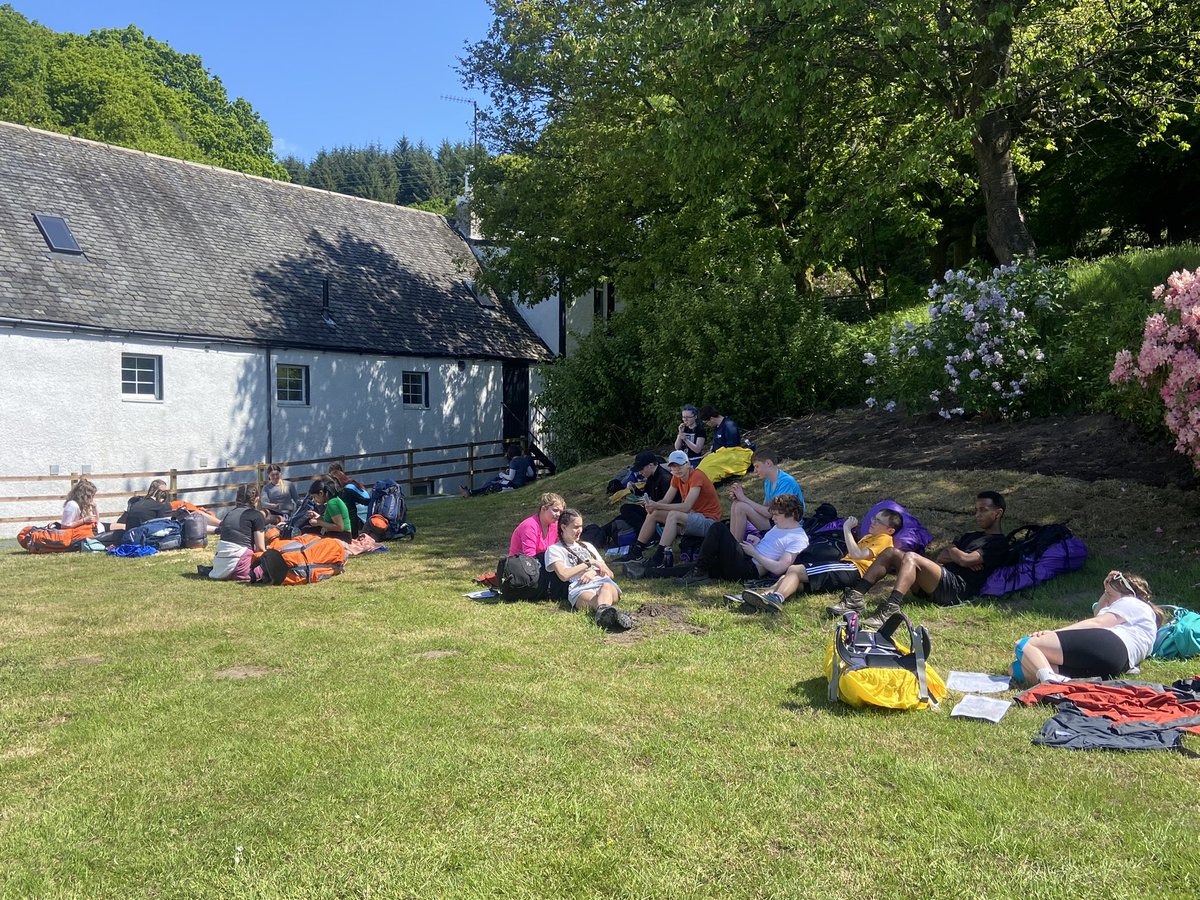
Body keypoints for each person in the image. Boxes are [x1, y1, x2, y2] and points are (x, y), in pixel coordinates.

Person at [840, 491, 1009, 629]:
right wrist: (956, 555)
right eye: (976, 510)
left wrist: (954, 552)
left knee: (911, 557)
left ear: (998, 513)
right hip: (938, 581)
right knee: (890, 552)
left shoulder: (999, 543)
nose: (978, 515)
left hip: (956, 590)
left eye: (983, 510)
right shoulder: (971, 536)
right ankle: (855, 597)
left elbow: (965, 560)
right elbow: (942, 557)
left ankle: (891, 608)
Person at [1014, 571, 1163, 684]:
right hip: (1114, 664)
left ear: (1128, 593)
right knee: (1017, 668)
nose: (1107, 597)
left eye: (1110, 594)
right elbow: (1099, 614)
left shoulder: (1132, 602)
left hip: (1111, 645)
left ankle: (1050, 684)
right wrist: (1106, 591)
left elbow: (1097, 623)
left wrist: (1052, 633)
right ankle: (1059, 680)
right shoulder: (1142, 618)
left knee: (1025, 644)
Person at [740, 510, 902, 613]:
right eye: (874, 518)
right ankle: (763, 596)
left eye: (878, 521)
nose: (873, 522)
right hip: (846, 568)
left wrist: (846, 529)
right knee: (793, 579)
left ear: (890, 530)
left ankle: (776, 598)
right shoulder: (869, 537)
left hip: (853, 569)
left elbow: (857, 554)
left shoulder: (885, 539)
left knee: (796, 570)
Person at [673, 493, 809, 587]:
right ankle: (656, 572)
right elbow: (772, 547)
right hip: (746, 558)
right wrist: (758, 542)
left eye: (777, 515)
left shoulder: (798, 538)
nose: (773, 519)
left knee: (718, 528)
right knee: (698, 565)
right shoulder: (780, 526)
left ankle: (699, 572)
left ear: (792, 515)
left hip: (750, 569)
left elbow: (779, 568)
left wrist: (754, 553)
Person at [628, 450, 721, 569]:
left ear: (688, 464)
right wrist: (652, 505)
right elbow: (666, 500)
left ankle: (660, 557)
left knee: (673, 515)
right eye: (674, 467)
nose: (677, 469)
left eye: (680, 465)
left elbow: (686, 506)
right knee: (654, 513)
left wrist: (657, 505)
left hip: (709, 521)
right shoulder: (676, 478)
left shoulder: (697, 476)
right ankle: (637, 551)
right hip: (692, 518)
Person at [544, 509, 633, 631]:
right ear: (563, 527)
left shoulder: (587, 546)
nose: (579, 530)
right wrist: (589, 563)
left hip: (603, 582)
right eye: (575, 527)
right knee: (595, 600)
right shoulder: (554, 549)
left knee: (606, 587)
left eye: (581, 526)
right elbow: (563, 575)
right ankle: (613, 614)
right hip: (579, 587)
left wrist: (593, 572)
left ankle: (608, 615)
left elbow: (610, 574)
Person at [727, 448, 804, 540]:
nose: (755, 471)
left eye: (757, 466)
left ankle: (735, 548)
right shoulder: (768, 482)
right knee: (736, 503)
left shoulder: (786, 482)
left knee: (741, 507)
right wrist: (739, 498)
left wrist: (744, 499)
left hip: (787, 526)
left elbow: (771, 513)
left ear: (768, 463)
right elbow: (764, 508)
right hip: (775, 521)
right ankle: (731, 543)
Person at [206, 483, 267, 581]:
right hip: (239, 567)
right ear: (256, 499)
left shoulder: (229, 514)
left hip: (219, 567)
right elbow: (260, 547)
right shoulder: (256, 515)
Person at [616, 450, 674, 534]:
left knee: (626, 509)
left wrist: (652, 504)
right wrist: (634, 489)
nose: (640, 472)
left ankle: (649, 534)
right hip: (652, 508)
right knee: (622, 516)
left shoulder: (665, 478)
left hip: (661, 513)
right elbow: (646, 493)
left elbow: (668, 502)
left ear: (650, 465)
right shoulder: (651, 477)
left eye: (641, 469)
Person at [460, 445, 536, 497]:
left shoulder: (514, 462)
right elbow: (531, 474)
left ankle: (471, 492)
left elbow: (511, 477)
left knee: (493, 483)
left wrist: (503, 475)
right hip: (520, 483)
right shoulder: (525, 460)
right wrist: (521, 474)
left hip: (513, 484)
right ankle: (471, 492)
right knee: (494, 482)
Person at [508, 492, 566, 557]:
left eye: (560, 512)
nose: (558, 514)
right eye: (555, 510)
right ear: (543, 509)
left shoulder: (555, 525)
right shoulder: (529, 526)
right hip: (521, 563)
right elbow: (529, 556)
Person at [327, 463, 367, 537]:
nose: (333, 478)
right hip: (362, 510)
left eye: (333, 475)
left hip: (362, 512)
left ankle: (352, 535)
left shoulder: (347, 488)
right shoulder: (350, 483)